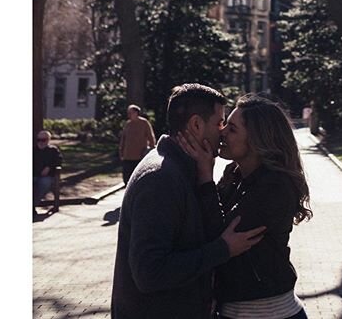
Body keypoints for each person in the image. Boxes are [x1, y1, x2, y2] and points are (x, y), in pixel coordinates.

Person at [111, 84, 266, 319]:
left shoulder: (183, 168)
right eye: (219, 123)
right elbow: (149, 273)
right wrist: (222, 249)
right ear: (196, 125)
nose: (223, 132)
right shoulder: (160, 178)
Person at [179, 94, 311, 319]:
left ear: (258, 140)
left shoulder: (276, 187)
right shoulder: (235, 174)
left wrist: (205, 176)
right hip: (235, 310)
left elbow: (217, 235)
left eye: (232, 129)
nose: (222, 132)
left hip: (270, 314)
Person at [118, 104, 156, 186]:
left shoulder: (144, 123)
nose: (129, 115)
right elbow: (123, 139)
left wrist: (152, 150)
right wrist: (121, 150)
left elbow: (150, 137)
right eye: (128, 113)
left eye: (130, 113)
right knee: (126, 177)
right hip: (127, 156)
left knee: (138, 178)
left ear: (136, 113)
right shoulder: (128, 124)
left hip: (140, 156)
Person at [33, 130, 62, 219]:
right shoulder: (33, 150)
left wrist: (49, 167)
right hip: (33, 174)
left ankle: (32, 205)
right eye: (39, 140)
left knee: (44, 183)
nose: (41, 142)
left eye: (43, 140)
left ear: (48, 140)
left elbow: (58, 161)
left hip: (47, 176)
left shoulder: (53, 150)